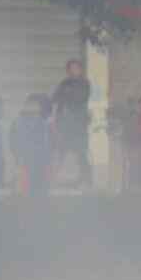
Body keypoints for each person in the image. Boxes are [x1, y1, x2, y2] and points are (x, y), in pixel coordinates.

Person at [52, 58, 94, 189]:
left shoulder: (84, 83)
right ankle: (55, 178)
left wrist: (67, 95)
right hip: (65, 125)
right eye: (71, 68)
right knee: (62, 151)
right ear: (68, 70)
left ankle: (87, 179)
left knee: (81, 152)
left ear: (80, 70)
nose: (74, 70)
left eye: (76, 68)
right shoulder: (64, 83)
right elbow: (55, 98)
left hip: (79, 124)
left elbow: (80, 98)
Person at [10, 94, 53, 199]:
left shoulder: (19, 121)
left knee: (33, 185)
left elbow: (13, 140)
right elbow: (45, 142)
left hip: (30, 158)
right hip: (31, 158)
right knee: (33, 186)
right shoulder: (40, 122)